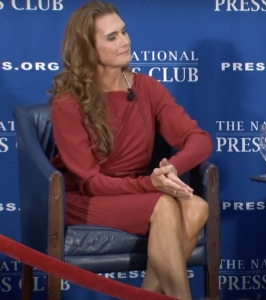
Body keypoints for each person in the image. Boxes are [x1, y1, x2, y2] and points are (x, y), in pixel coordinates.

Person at [49, 1, 213, 299]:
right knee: (162, 205)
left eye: (124, 32)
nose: (125, 41)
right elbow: (90, 182)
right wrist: (150, 184)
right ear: (88, 48)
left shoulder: (146, 87)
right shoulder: (67, 102)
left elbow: (199, 139)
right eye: (112, 37)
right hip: (88, 198)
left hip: (138, 190)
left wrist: (173, 168)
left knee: (198, 207)